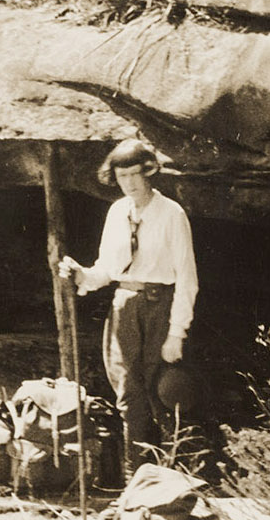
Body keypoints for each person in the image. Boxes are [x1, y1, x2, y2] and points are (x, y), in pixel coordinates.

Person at [59, 140, 198, 475]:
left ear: (149, 172)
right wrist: (81, 275)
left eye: (136, 174)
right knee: (128, 396)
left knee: (163, 392)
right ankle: (135, 486)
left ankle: (173, 484)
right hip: (124, 307)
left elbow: (187, 278)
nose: (130, 183)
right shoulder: (117, 211)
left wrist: (176, 333)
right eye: (122, 176)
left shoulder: (171, 214)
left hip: (159, 306)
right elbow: (106, 270)